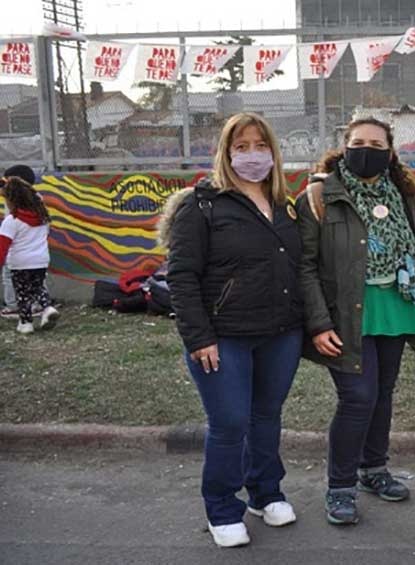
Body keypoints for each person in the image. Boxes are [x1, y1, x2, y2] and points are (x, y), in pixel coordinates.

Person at [163, 112, 303, 548]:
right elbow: (181, 276)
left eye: (260, 146)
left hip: (280, 332)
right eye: (241, 147)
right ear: (225, 153)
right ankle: (222, 507)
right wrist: (199, 337)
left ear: (273, 152)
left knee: (266, 416)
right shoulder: (200, 205)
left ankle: (265, 492)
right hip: (223, 335)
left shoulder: (285, 203)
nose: (252, 155)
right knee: (229, 422)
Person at [297, 117, 415, 526]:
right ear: (343, 148)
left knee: (382, 394)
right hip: (346, 315)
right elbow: (305, 266)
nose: (367, 149)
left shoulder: (403, 195)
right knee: (357, 399)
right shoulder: (321, 195)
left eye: (376, 143)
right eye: (358, 142)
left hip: (395, 307)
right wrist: (319, 323)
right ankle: (340, 487)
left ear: (390, 152)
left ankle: (373, 469)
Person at [0, 175, 59, 334]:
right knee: (37, 286)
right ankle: (47, 307)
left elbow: (3, 246)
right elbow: (45, 236)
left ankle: (26, 323)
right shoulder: (42, 217)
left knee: (22, 293)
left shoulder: (11, 221)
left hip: (20, 261)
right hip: (40, 259)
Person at [1, 164, 47, 320]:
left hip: (18, 254)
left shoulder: (14, 203)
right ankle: (40, 306)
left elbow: (4, 241)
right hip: (39, 254)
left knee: (12, 278)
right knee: (37, 281)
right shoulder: (37, 201)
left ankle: (14, 307)